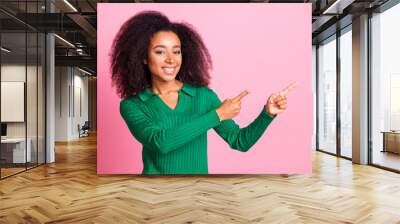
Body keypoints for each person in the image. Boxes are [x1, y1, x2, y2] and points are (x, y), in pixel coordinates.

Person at [111, 11, 298, 174]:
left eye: (176, 52)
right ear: (143, 57)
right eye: (160, 52)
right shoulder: (133, 105)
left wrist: (267, 114)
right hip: (154, 195)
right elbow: (161, 143)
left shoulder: (203, 97)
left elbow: (240, 141)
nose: (171, 60)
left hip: (197, 193)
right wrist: (217, 115)